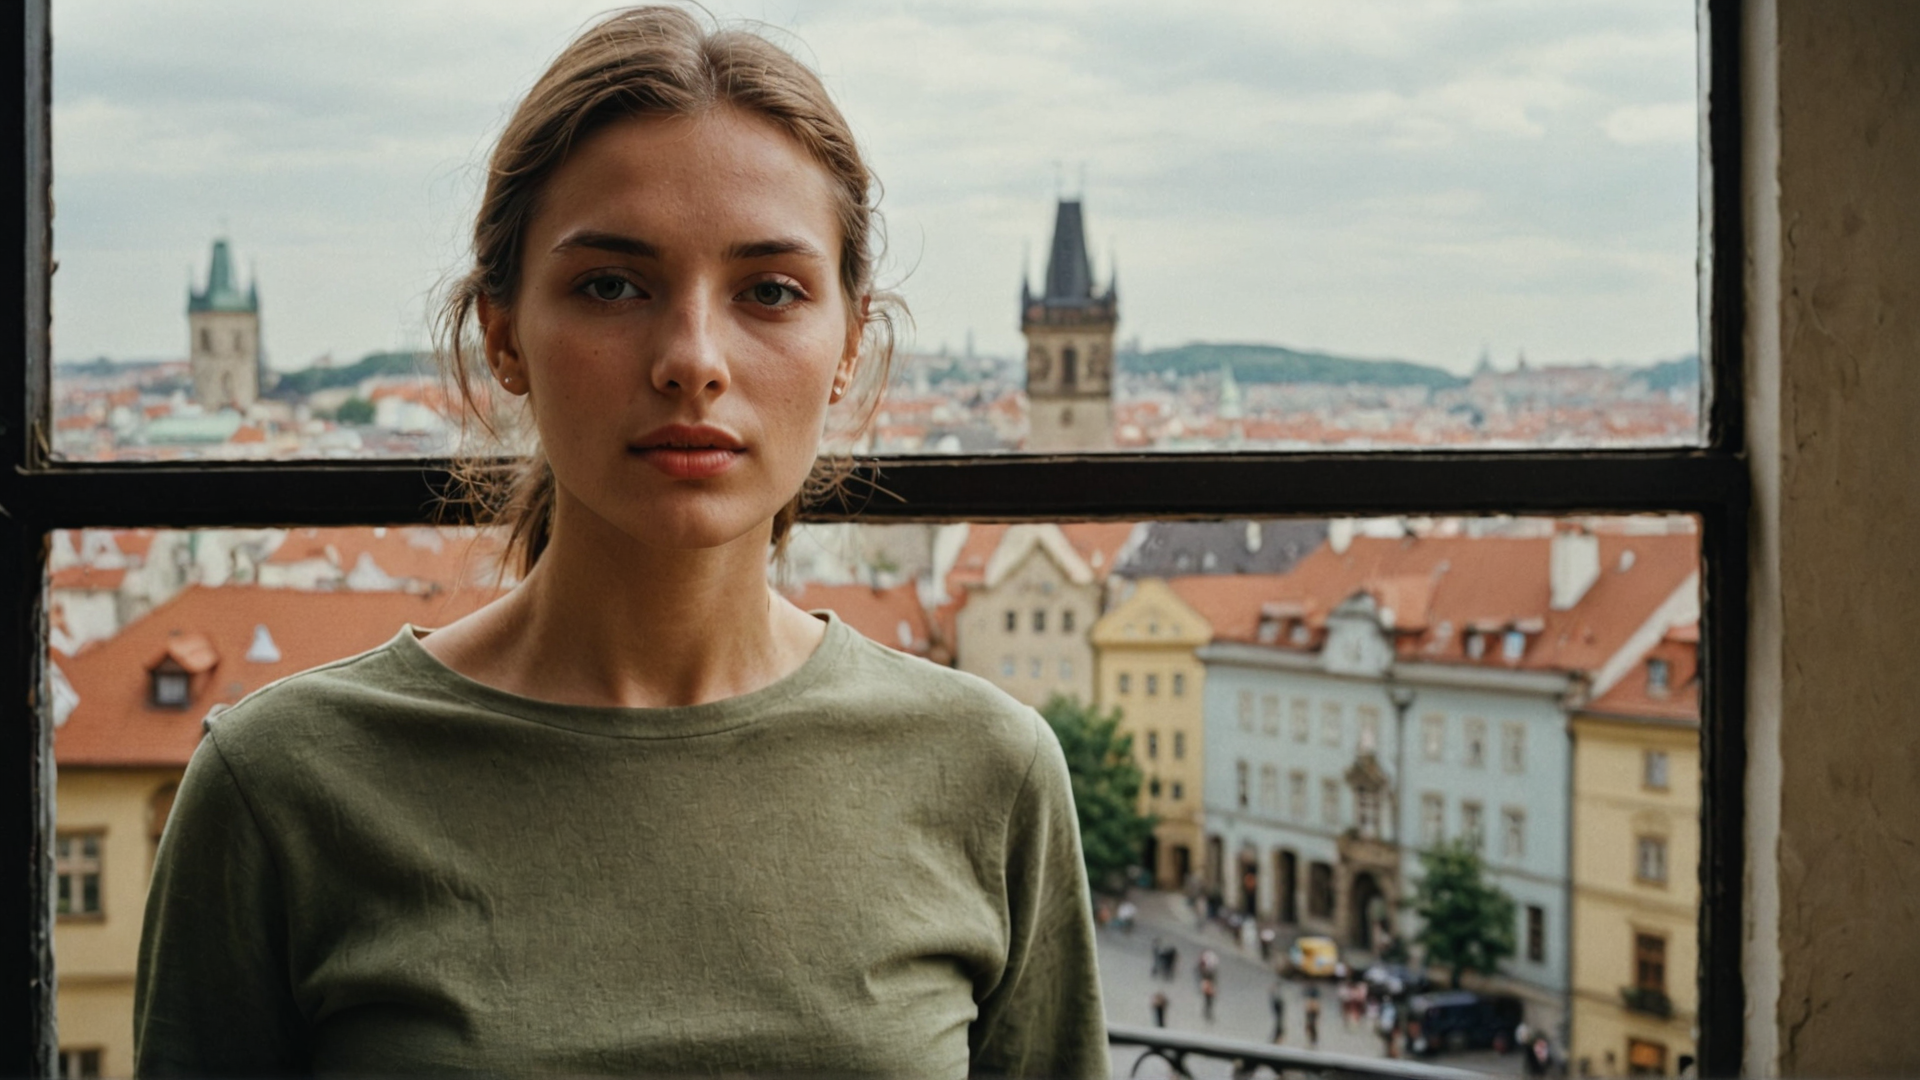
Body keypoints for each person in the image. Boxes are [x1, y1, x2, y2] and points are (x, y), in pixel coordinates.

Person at [131, 8, 1109, 1077]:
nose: (692, 359)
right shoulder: (282, 785)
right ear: (502, 333)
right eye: (611, 284)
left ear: (849, 347)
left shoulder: (991, 773)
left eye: (770, 291)